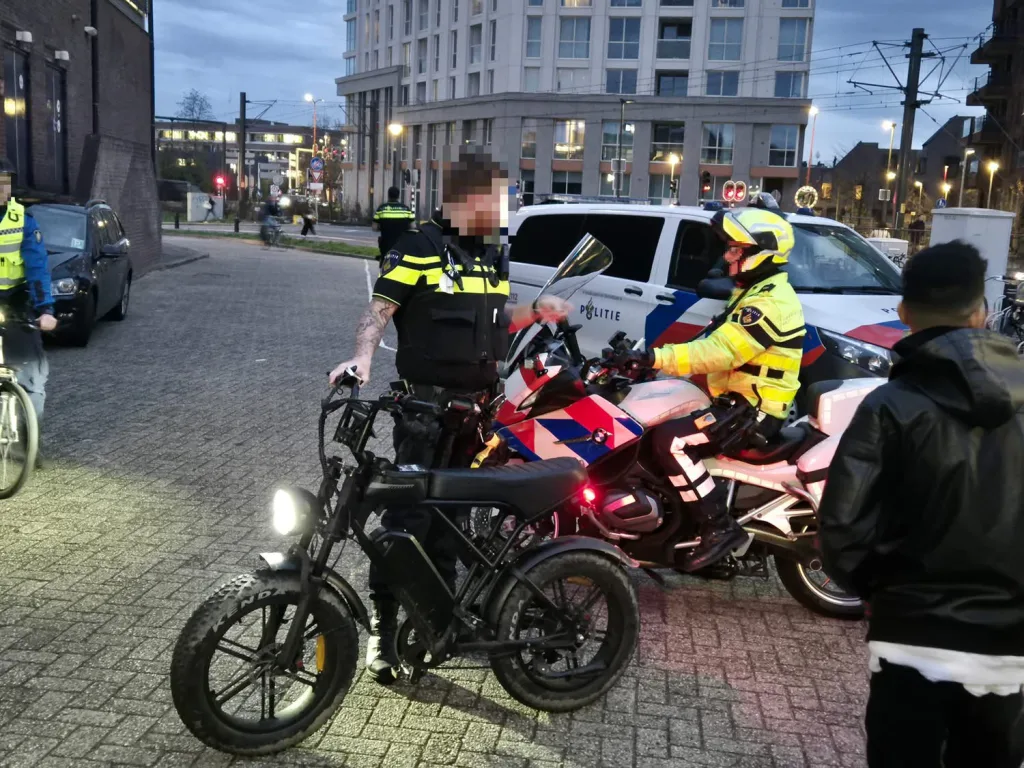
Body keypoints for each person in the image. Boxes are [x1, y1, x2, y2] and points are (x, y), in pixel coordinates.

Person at [329, 147, 570, 684]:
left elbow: (493, 320)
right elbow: (380, 310)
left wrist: (535, 312)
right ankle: (382, 627)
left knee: (452, 526)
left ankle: (434, 623)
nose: (500, 214)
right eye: (492, 203)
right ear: (461, 200)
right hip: (425, 415)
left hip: (475, 418)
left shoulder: (490, 256)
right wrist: (361, 358)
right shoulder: (419, 247)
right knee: (405, 523)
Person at [819, 240, 1024, 768]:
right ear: (981, 312)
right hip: (1008, 649)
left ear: (904, 312)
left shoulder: (888, 406)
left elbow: (842, 527)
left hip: (910, 638)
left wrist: (878, 592)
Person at [618, 195, 805, 572]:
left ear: (761, 252)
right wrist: (650, 367)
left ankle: (718, 527)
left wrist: (656, 358)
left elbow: (719, 352)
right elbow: (711, 342)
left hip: (755, 412)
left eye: (735, 249)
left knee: (671, 440)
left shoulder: (770, 303)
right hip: (736, 403)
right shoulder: (754, 292)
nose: (727, 256)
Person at [0, 158, 58, 468]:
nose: (2, 189)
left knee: (33, 378)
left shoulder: (22, 219)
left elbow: (37, 267)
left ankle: (29, 442)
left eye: (5, 182)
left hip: (17, 299)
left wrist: (45, 309)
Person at [372, 186, 414, 262]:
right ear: (398, 196)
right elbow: (413, 227)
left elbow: (374, 228)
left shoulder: (381, 209)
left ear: (388, 195)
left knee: (385, 263)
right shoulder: (406, 209)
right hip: (402, 246)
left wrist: (383, 227)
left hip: (386, 246)